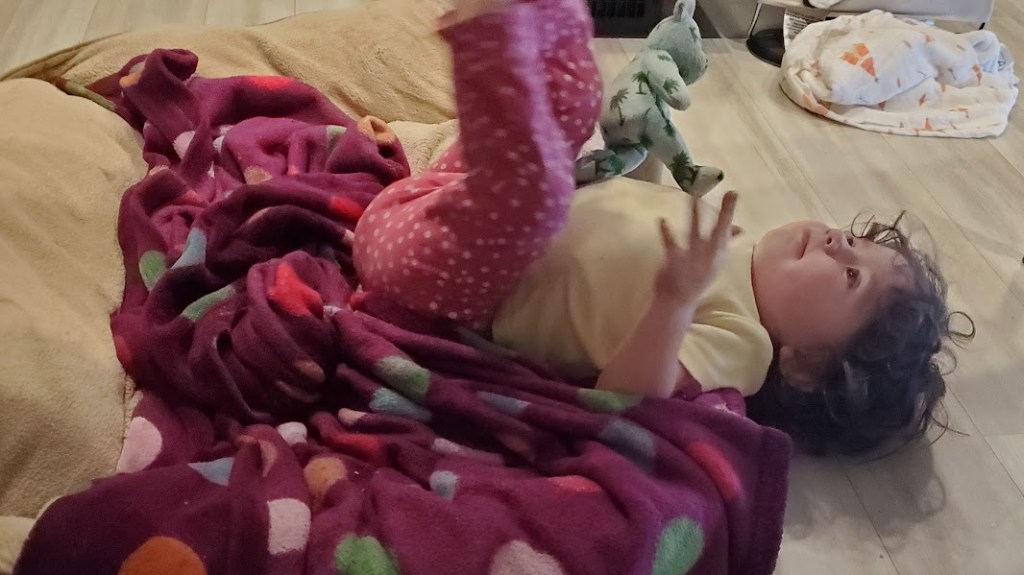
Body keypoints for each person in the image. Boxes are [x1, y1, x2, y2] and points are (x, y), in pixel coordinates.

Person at [353, 0, 970, 454]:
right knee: (575, 108)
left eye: (851, 276)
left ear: (805, 366)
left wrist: (675, 301)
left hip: (453, 281)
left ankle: (487, 35)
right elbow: (628, 207)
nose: (837, 243)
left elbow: (627, 393)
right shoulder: (726, 239)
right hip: (451, 204)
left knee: (534, 188)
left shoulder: (744, 344)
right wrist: (637, 143)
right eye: (853, 241)